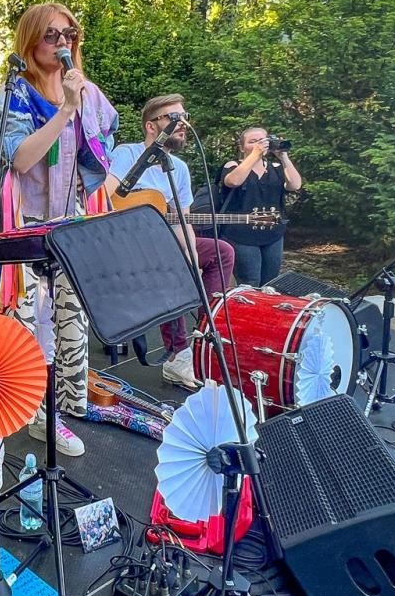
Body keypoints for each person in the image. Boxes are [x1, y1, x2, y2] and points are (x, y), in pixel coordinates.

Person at [0, 2, 117, 491]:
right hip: (23, 235)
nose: (62, 42)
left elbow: (102, 153)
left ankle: (45, 414)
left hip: (69, 232)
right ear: (30, 42)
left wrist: (83, 109)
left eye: (69, 33)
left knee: (58, 335)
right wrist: (65, 112)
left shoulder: (89, 92)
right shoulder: (15, 95)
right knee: (16, 334)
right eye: (50, 35)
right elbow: (19, 158)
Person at [106, 96, 234, 389]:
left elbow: (182, 220)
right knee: (170, 261)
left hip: (162, 247)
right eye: (173, 117)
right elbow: (104, 198)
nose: (183, 124)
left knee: (220, 251)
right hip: (123, 249)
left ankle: (207, 334)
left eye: (184, 116)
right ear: (152, 126)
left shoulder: (179, 168)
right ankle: (178, 354)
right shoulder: (127, 154)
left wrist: (190, 257)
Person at [220, 126, 302, 286]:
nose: (259, 145)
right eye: (253, 142)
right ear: (242, 147)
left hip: (273, 234)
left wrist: (283, 157)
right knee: (250, 281)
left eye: (263, 141)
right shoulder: (233, 165)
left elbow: (295, 185)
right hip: (240, 235)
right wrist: (254, 155)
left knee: (270, 283)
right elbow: (233, 181)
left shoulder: (276, 168)